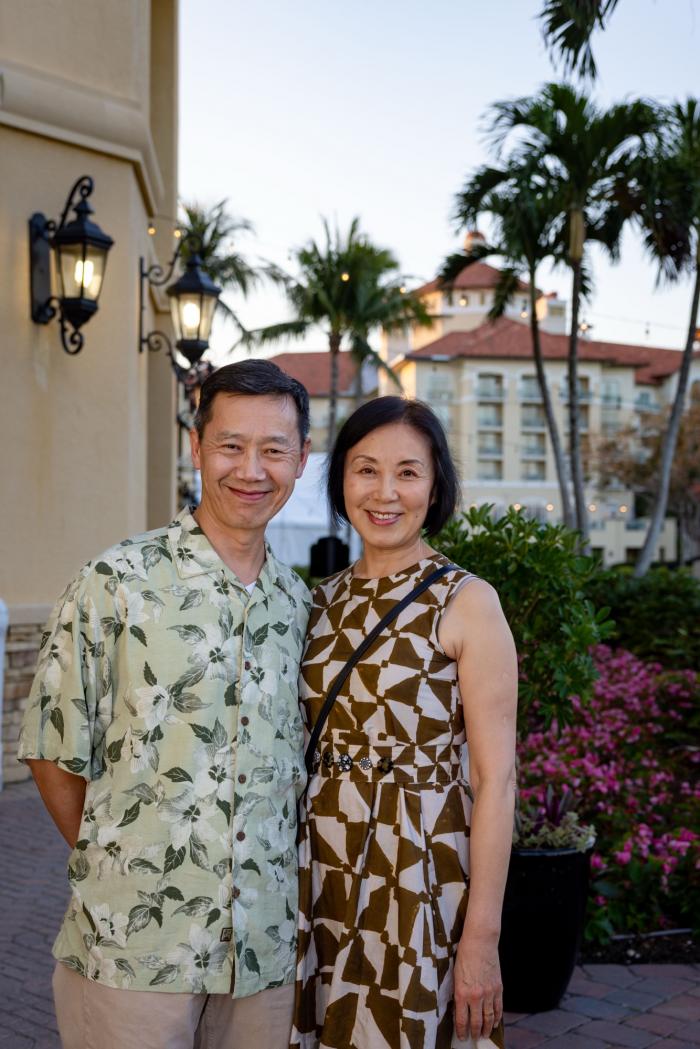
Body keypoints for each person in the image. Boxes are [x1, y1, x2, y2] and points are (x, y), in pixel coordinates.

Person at [18, 360, 312, 1049]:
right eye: (231, 445)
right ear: (196, 446)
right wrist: (121, 861)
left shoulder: (299, 604)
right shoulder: (116, 580)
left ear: (302, 459)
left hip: (263, 953)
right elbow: (51, 747)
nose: (252, 470)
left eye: (274, 449)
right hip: (134, 948)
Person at [291, 396, 518, 1049]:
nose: (385, 491)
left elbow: (496, 780)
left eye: (408, 472)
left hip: (419, 876)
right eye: (365, 469)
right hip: (321, 872)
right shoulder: (319, 601)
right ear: (341, 480)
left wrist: (482, 937)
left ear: (436, 485)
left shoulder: (466, 601)